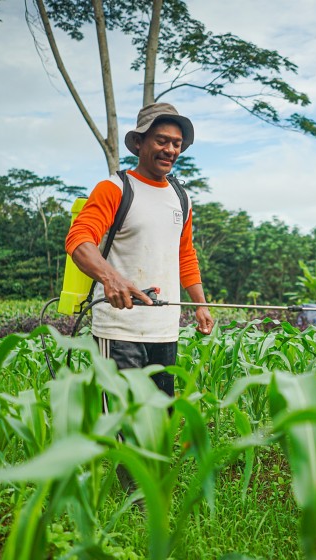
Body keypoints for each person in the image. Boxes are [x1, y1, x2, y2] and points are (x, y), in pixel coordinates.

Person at [65, 102, 214, 397]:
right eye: (161, 141)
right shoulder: (115, 188)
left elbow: (185, 254)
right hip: (119, 330)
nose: (170, 150)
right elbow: (79, 240)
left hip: (165, 329)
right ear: (138, 142)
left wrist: (200, 303)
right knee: (122, 424)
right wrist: (111, 278)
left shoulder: (181, 198)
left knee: (158, 422)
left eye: (177, 144)